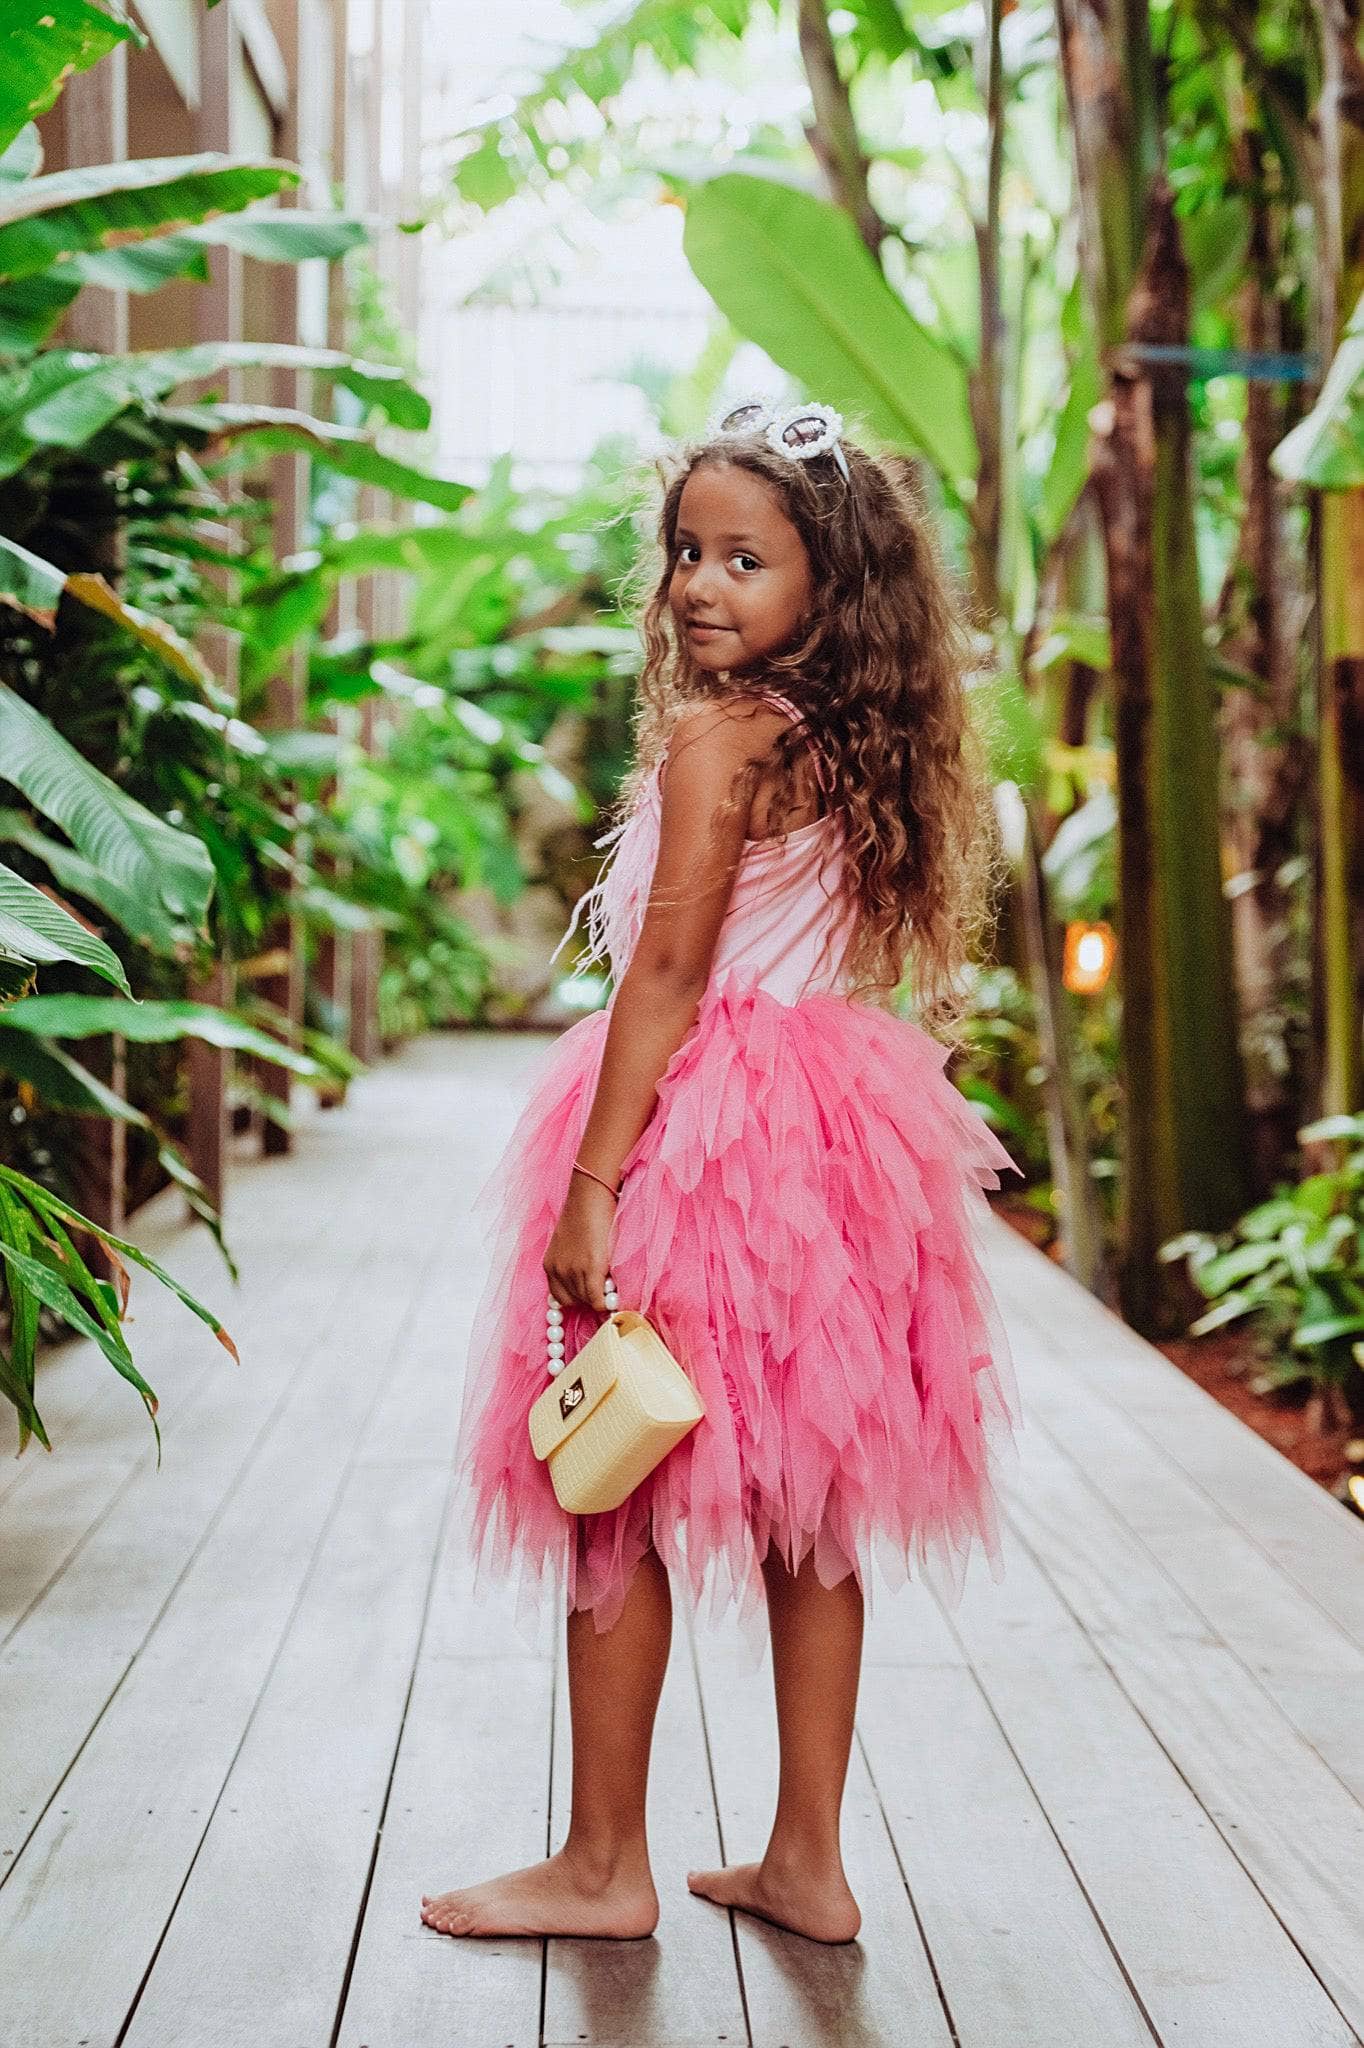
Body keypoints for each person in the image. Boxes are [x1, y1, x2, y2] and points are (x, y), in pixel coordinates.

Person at [424, 397, 1025, 1947]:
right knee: (802, 1507)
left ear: (828, 582)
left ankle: (604, 1864)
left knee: (610, 1481)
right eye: (687, 551)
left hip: (703, 1135)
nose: (699, 584)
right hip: (839, 1135)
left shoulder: (717, 742)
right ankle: (806, 1860)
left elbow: (670, 977)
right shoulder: (861, 738)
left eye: (743, 559)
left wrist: (594, 1183)